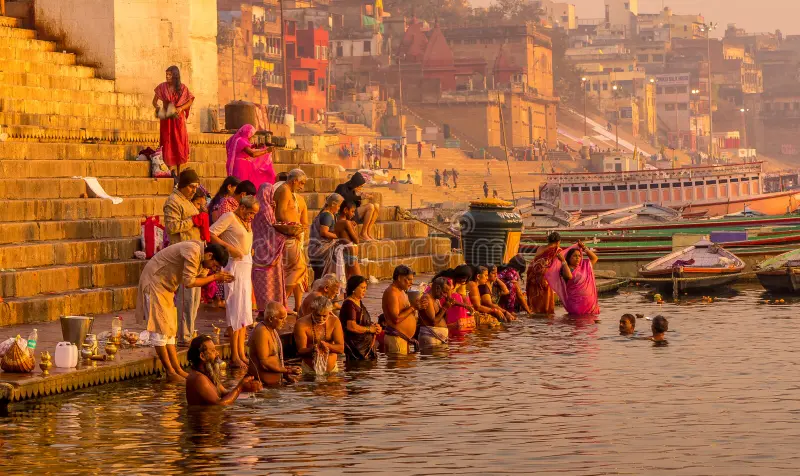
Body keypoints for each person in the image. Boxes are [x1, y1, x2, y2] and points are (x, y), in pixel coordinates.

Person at [136, 242, 232, 382]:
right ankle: (170, 371)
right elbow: (189, 282)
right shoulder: (193, 251)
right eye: (214, 265)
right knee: (159, 330)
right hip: (154, 282)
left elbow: (199, 276)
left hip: (165, 287)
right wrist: (215, 277)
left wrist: (213, 274)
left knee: (169, 331)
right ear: (210, 255)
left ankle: (178, 370)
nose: (214, 269)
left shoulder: (201, 258)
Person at [210, 195, 259, 368]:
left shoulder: (246, 221)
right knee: (234, 312)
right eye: (250, 213)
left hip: (246, 267)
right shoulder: (229, 216)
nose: (252, 217)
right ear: (242, 208)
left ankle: (240, 353)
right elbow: (210, 233)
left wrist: (247, 250)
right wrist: (230, 248)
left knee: (244, 312)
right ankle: (234, 356)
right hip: (234, 267)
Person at [164, 169, 202, 345]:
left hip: (194, 253)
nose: (194, 190)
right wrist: (193, 222)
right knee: (186, 297)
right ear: (183, 186)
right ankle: (183, 335)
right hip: (182, 254)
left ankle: (189, 331)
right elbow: (172, 227)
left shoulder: (186, 201)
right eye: (192, 187)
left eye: (196, 187)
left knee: (194, 298)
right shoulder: (173, 201)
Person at [251, 182, 295, 314]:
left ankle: (263, 309)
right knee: (271, 282)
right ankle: (271, 309)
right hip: (269, 249)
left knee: (261, 282)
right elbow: (272, 228)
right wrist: (286, 235)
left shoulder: (258, 208)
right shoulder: (266, 209)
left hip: (258, 249)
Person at [185, 335, 261, 405]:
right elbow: (220, 404)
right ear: (202, 356)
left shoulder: (207, 373)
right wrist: (239, 388)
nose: (217, 353)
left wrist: (245, 387)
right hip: (206, 419)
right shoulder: (199, 378)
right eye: (213, 351)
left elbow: (225, 393)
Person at [275, 169, 309, 313]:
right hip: (288, 235)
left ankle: (286, 303)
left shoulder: (291, 193)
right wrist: (292, 226)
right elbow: (280, 213)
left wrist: (299, 227)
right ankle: (281, 304)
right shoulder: (284, 190)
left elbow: (304, 220)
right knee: (299, 268)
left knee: (297, 270)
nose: (302, 187)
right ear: (294, 180)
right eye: (301, 183)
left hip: (293, 236)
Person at [153, 65, 194, 175]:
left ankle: (180, 171)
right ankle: (171, 170)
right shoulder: (162, 87)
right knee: (167, 142)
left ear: (175, 76)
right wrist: (158, 109)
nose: (167, 76)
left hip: (178, 119)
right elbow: (154, 102)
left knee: (179, 143)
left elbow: (190, 101)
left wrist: (181, 108)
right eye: (166, 74)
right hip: (166, 119)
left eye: (170, 74)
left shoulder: (182, 88)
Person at [248, 302, 302, 385]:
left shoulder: (272, 330)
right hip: (261, 387)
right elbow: (265, 363)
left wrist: (286, 375)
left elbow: (275, 359)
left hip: (273, 387)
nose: (285, 322)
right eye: (281, 318)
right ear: (270, 319)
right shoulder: (262, 332)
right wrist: (289, 370)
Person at [546, 241, 600, 315]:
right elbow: (569, 276)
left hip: (590, 305)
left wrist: (584, 248)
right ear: (569, 258)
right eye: (575, 256)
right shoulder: (565, 268)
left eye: (579, 256)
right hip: (576, 305)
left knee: (590, 324)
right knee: (575, 323)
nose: (577, 258)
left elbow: (595, 258)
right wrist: (563, 261)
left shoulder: (584, 266)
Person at [294, 295, 344, 375]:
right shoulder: (301, 323)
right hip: (309, 370)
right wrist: (313, 350)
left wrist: (327, 346)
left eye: (324, 316)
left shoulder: (335, 321)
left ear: (329, 312)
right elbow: (300, 351)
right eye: (318, 315)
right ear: (312, 310)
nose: (321, 319)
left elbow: (341, 348)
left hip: (332, 370)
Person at [307, 193, 348, 282]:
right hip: (322, 250)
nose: (339, 208)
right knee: (321, 278)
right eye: (338, 206)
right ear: (333, 204)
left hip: (317, 250)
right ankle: (316, 294)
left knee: (320, 278)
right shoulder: (327, 215)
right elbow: (324, 232)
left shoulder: (327, 214)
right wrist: (339, 236)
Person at [380, 265, 421, 354]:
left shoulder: (402, 291)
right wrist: (413, 307)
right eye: (409, 279)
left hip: (403, 339)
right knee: (397, 367)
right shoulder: (392, 292)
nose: (411, 282)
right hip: (396, 338)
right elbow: (396, 319)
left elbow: (408, 313)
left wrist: (418, 307)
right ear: (399, 278)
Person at [339, 275, 381, 361]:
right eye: (362, 288)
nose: (365, 290)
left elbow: (362, 323)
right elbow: (351, 326)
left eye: (365, 288)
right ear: (354, 288)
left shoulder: (358, 302)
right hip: (356, 349)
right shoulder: (349, 304)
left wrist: (375, 327)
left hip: (365, 347)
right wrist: (370, 329)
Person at [225, 124, 276, 191]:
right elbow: (252, 154)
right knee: (242, 187)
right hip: (241, 167)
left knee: (241, 186)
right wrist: (266, 151)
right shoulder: (241, 140)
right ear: (248, 133)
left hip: (240, 165)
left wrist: (254, 146)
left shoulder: (237, 139)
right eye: (252, 135)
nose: (251, 137)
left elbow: (242, 149)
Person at [334, 172, 380, 241]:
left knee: (376, 206)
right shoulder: (341, 187)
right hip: (344, 215)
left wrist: (358, 197)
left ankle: (368, 233)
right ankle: (363, 234)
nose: (360, 188)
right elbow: (345, 198)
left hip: (353, 214)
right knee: (370, 206)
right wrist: (359, 197)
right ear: (355, 184)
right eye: (360, 186)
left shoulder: (353, 191)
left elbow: (356, 206)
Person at [526, 231, 561, 315]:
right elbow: (558, 265)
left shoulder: (541, 248)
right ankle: (545, 316)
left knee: (535, 297)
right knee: (545, 300)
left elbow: (535, 260)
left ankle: (534, 314)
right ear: (558, 242)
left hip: (533, 275)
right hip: (545, 277)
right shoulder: (558, 250)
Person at [418, 277, 452, 347]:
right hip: (431, 338)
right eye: (444, 292)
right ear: (437, 288)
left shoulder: (436, 300)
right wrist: (445, 308)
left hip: (437, 339)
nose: (445, 295)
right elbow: (434, 322)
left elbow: (442, 318)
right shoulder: (427, 298)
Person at [334, 201, 363, 278]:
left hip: (346, 252)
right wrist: (353, 228)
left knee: (349, 279)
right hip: (350, 254)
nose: (353, 214)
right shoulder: (346, 223)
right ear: (345, 210)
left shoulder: (337, 223)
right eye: (352, 211)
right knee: (359, 280)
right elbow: (356, 240)